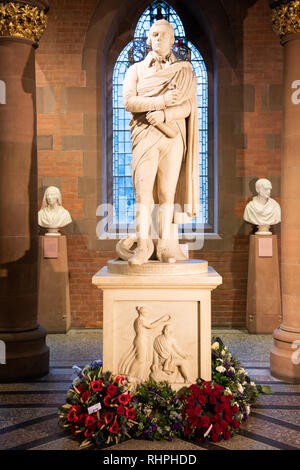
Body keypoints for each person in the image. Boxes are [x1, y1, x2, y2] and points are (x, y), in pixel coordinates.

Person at [123, 19, 199, 264]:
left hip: (172, 135)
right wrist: (161, 102)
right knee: (143, 192)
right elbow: (129, 102)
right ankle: (143, 246)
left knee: (167, 192)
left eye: (162, 35)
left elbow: (188, 107)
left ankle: (166, 245)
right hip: (144, 133)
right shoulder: (135, 70)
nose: (157, 38)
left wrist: (165, 114)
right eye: (153, 34)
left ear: (172, 39)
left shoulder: (184, 70)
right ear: (148, 38)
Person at [118, 306, 171, 380]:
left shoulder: (141, 320)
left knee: (142, 360)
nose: (147, 314)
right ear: (141, 312)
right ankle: (130, 375)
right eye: (145, 312)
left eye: (147, 312)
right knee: (140, 359)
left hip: (143, 340)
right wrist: (162, 319)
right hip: (140, 340)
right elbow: (151, 326)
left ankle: (136, 376)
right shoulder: (140, 320)